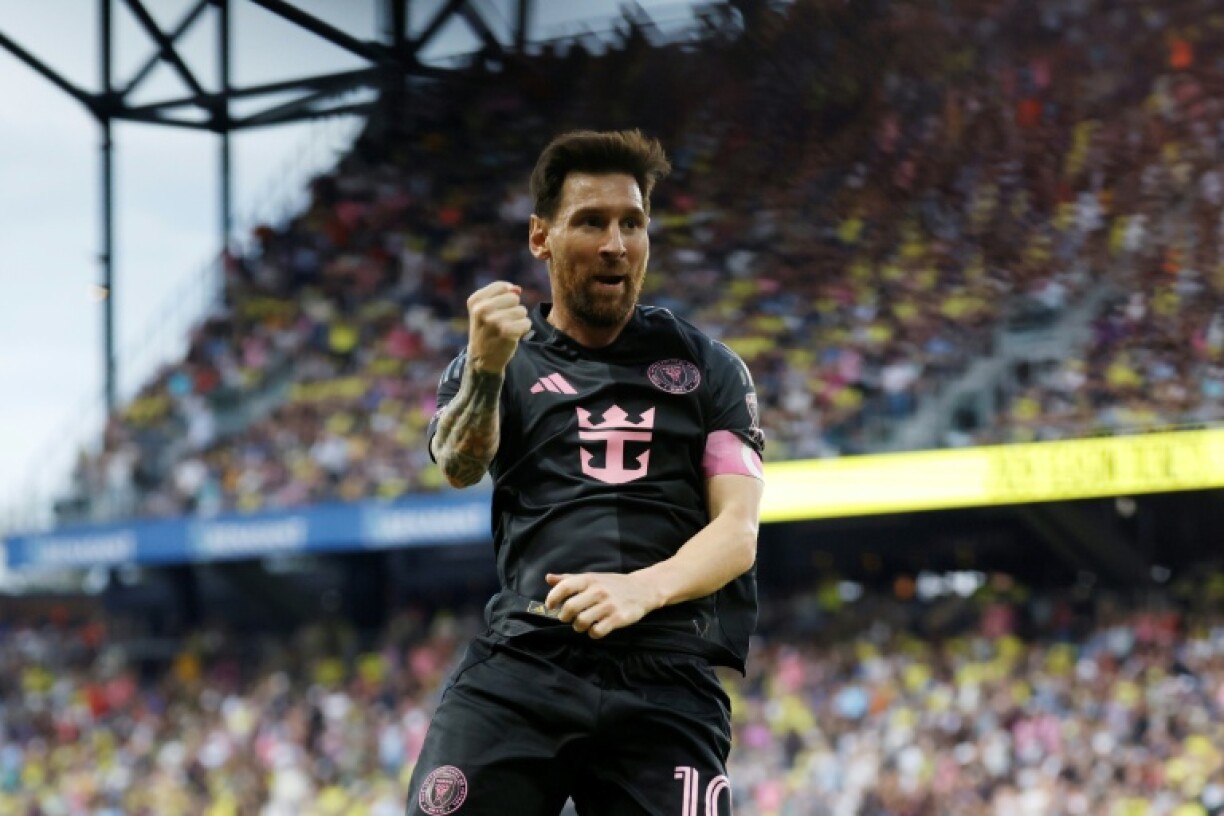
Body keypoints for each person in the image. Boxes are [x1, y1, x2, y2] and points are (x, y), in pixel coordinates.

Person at [408, 129, 765, 816]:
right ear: (541, 238)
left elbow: (738, 532)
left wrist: (642, 589)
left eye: (633, 223)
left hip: (665, 670)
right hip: (527, 656)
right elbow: (458, 464)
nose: (616, 244)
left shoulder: (711, 367)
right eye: (592, 222)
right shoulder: (499, 357)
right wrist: (485, 369)